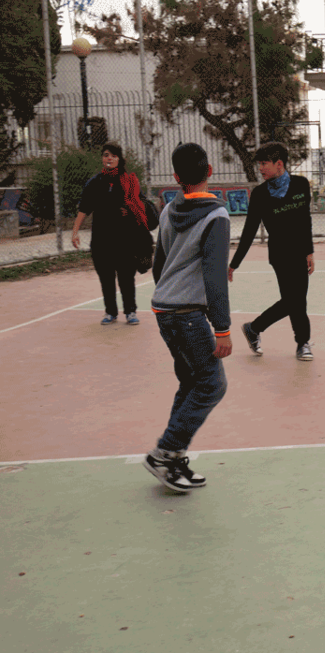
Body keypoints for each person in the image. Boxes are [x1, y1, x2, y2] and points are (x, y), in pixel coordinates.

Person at [144, 143, 232, 492]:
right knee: (212, 384)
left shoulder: (167, 211)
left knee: (191, 382)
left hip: (164, 310)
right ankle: (164, 452)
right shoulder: (216, 216)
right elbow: (214, 278)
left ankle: (173, 457)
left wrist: (170, 295)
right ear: (209, 171)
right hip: (188, 316)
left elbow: (159, 266)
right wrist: (222, 328)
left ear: (177, 177)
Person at [228, 142, 315, 361]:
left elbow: (305, 220)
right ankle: (302, 343)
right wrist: (234, 263)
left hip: (299, 253)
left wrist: (309, 251)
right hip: (279, 255)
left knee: (297, 300)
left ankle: (254, 328)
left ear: (279, 164)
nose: (260, 168)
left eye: (264, 163)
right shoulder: (259, 194)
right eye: (259, 164)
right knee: (294, 300)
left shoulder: (301, 185)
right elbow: (249, 231)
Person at [71, 141, 149, 326]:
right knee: (106, 278)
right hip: (101, 239)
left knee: (126, 277)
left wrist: (129, 211)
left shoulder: (128, 181)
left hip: (125, 239)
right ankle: (110, 312)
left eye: (113, 155)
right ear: (102, 158)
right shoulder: (95, 182)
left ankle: (130, 311)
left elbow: (139, 205)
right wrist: (75, 232)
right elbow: (84, 208)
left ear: (119, 159)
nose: (109, 158)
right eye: (106, 155)